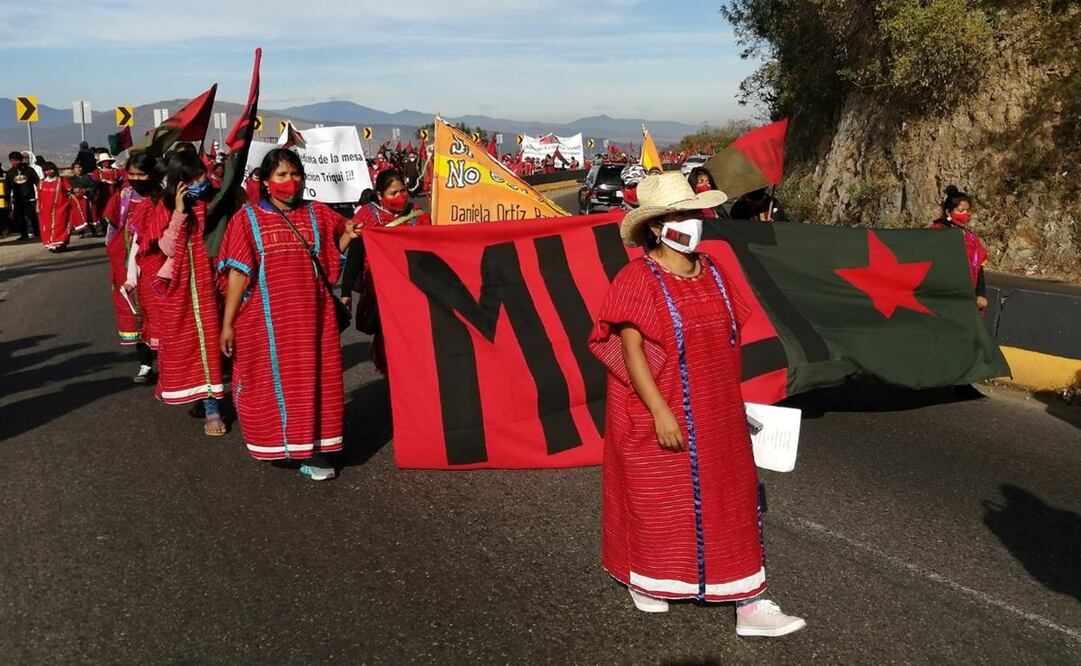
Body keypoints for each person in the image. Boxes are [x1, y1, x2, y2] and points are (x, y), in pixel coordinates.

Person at [587, 173, 806, 638]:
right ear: (655, 226)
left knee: (733, 498)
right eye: (679, 215)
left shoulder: (716, 271)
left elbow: (727, 343)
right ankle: (645, 577)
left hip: (716, 410)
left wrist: (733, 403)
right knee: (657, 498)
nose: (692, 223)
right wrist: (661, 411)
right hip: (655, 408)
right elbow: (631, 351)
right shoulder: (636, 280)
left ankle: (750, 601)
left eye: (694, 213)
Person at [217, 148, 358, 480]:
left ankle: (313, 449)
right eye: (282, 175)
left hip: (314, 319)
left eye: (295, 174)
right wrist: (227, 324)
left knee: (315, 381)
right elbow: (238, 274)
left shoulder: (319, 214)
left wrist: (349, 235)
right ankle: (280, 444)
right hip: (265, 323)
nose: (290, 181)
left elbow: (331, 255)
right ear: (266, 182)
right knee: (269, 383)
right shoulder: (247, 219)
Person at [152, 151, 227, 436]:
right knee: (193, 345)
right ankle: (206, 403)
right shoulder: (168, 206)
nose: (199, 181)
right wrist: (180, 212)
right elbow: (168, 249)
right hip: (182, 290)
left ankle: (214, 405)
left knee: (215, 344)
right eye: (191, 178)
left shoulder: (215, 202)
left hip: (214, 284)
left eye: (200, 174)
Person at [342, 169, 432, 374]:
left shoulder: (418, 214)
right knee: (392, 345)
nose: (400, 196)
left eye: (403, 191)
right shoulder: (367, 216)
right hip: (382, 292)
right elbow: (355, 255)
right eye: (393, 193)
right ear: (380, 196)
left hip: (416, 290)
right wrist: (346, 292)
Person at [103, 151, 160, 382]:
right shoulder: (123, 196)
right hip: (127, 263)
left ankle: (169, 365)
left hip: (155, 265)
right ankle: (145, 364)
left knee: (158, 316)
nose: (136, 178)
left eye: (141, 174)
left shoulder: (161, 197)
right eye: (132, 174)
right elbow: (113, 229)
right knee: (135, 315)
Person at [932, 185, 988, 312]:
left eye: (967, 211)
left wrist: (981, 293)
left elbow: (979, 267)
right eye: (961, 210)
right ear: (948, 212)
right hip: (943, 295)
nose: (965, 214)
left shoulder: (971, 237)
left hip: (967, 295)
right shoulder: (937, 231)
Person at [37, 162, 72, 252]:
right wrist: (37, 207)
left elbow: (69, 192)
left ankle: (60, 243)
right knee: (47, 227)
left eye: (50, 169)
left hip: (60, 208)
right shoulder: (41, 183)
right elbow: (39, 197)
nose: (49, 172)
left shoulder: (62, 180)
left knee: (60, 226)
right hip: (45, 210)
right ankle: (51, 243)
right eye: (46, 170)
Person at [6, 152, 40, 240]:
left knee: (33, 216)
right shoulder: (10, 173)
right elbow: (7, 187)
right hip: (17, 198)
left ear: (20, 160)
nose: (13, 163)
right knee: (19, 218)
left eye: (15, 160)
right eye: (11, 161)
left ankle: (37, 232)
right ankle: (24, 234)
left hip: (30, 197)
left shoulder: (29, 170)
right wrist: (7, 199)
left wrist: (40, 193)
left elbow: (37, 182)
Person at [66, 161, 98, 236]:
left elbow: (93, 187)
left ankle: (93, 229)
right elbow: (68, 189)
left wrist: (86, 190)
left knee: (89, 214)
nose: (79, 169)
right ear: (73, 169)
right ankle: (81, 231)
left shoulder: (88, 177)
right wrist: (74, 190)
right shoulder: (71, 179)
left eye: (80, 167)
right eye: (76, 168)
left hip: (88, 198)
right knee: (79, 215)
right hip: (76, 201)